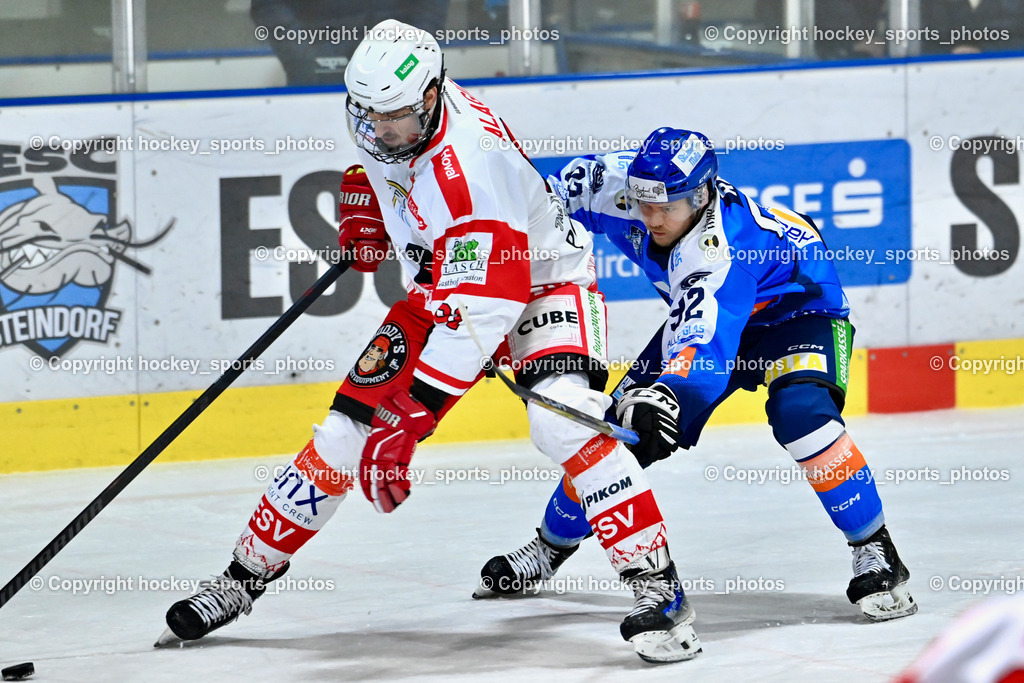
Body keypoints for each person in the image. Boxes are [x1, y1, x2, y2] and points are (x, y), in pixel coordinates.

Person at [158, 20, 700, 664]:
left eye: (394, 117)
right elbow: (392, 173)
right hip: (447, 284)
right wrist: (365, 201)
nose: (380, 130)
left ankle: (661, 595)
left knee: (565, 423)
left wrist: (413, 414)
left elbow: (487, 307)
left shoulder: (473, 169)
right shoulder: (390, 118)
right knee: (341, 437)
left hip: (541, 286)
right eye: (369, 115)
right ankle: (239, 579)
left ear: (433, 96)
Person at [475, 127, 918, 624]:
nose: (652, 218)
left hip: (797, 315)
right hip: (708, 318)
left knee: (801, 413)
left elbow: (704, 347)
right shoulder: (616, 182)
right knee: (615, 434)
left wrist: (665, 396)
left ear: (702, 195)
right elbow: (537, 202)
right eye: (644, 203)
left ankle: (876, 548)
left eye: (668, 207)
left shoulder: (719, 250)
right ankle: (547, 548)